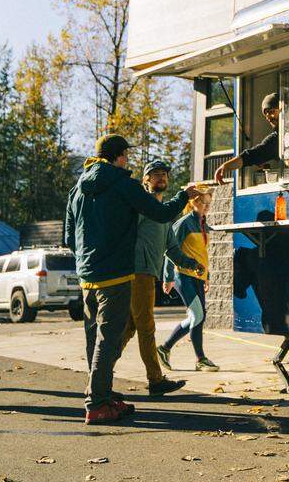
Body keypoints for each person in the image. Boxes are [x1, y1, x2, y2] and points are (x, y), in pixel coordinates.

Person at [63, 134, 202, 425]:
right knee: (109, 339)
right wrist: (184, 196)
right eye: (126, 154)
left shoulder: (78, 188)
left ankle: (102, 392)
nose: (128, 159)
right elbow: (161, 212)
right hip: (116, 274)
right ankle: (97, 404)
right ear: (120, 156)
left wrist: (88, 260)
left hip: (86, 275)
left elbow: (68, 236)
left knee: (96, 338)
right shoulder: (123, 184)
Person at [120, 159, 204, 396]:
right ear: (145, 181)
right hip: (137, 272)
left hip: (148, 274)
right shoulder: (141, 208)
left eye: (164, 175)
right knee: (146, 327)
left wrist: (190, 263)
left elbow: (172, 249)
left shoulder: (165, 213)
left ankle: (100, 373)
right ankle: (155, 381)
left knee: (128, 328)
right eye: (155, 175)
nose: (161, 179)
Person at [157, 191, 219, 372]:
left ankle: (164, 348)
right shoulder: (183, 223)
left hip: (198, 276)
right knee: (198, 315)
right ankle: (201, 359)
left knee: (197, 316)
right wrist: (167, 278)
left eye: (209, 203)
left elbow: (202, 253)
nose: (207, 206)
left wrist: (206, 276)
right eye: (203, 202)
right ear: (193, 202)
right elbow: (170, 250)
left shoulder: (203, 224)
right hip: (182, 275)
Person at [214, 92, 280, 181]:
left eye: (271, 112)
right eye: (266, 115)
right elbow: (253, 154)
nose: (269, 118)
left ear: (282, 109)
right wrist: (226, 166)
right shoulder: (275, 139)